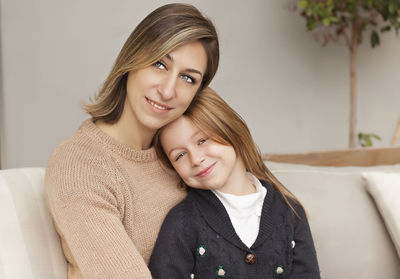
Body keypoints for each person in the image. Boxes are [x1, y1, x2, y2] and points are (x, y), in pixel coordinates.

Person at [45, 4, 219, 278]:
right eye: (160, 63)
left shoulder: (186, 157)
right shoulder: (79, 164)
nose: (167, 90)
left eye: (188, 78)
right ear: (131, 59)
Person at [149, 87, 321, 278]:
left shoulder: (290, 211)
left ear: (231, 130)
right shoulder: (181, 222)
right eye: (179, 155)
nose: (196, 159)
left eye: (202, 140)